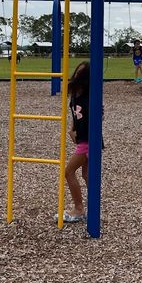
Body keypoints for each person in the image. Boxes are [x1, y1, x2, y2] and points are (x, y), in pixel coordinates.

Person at [62, 61, 90, 222]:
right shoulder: (75, 94)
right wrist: (72, 129)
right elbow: (75, 115)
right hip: (82, 139)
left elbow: (98, 116)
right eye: (77, 73)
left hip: (88, 141)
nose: (77, 77)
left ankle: (79, 209)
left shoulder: (89, 96)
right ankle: (92, 207)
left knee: (69, 172)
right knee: (86, 174)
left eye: (81, 75)